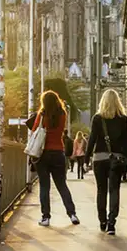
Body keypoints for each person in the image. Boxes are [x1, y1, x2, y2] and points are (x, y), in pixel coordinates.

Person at [31, 91, 79, 227]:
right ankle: (72, 214)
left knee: (44, 186)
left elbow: (34, 130)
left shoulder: (42, 115)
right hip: (58, 153)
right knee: (62, 185)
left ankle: (45, 217)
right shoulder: (62, 114)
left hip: (43, 154)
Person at [86, 89, 127, 235]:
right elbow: (126, 142)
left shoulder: (97, 118)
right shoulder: (123, 119)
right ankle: (112, 223)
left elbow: (92, 139)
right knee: (114, 190)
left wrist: (87, 158)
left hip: (99, 158)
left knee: (101, 190)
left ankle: (102, 221)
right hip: (116, 159)